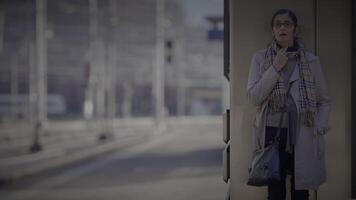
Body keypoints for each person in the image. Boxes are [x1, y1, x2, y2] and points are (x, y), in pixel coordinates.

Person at [246, 9, 331, 200]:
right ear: (273, 30)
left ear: (295, 30)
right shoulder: (260, 58)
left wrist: (321, 125)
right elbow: (253, 97)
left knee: (301, 191)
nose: (282, 27)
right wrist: (275, 67)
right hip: (272, 133)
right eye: (278, 24)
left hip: (304, 132)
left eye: (287, 24)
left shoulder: (311, 61)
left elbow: (324, 100)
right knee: (275, 190)